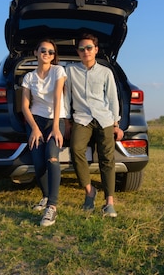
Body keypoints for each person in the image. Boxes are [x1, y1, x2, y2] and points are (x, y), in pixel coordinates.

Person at [64, 33, 124, 218]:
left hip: (104, 119)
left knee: (107, 159)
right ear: (78, 52)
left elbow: (112, 98)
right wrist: (67, 121)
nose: (85, 52)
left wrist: (116, 124)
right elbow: (67, 97)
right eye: (81, 49)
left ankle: (109, 203)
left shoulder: (106, 72)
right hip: (82, 118)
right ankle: (89, 191)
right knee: (76, 149)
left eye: (89, 48)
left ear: (96, 50)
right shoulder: (70, 70)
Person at [21, 39, 67, 227]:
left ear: (54, 56)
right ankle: (46, 197)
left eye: (51, 52)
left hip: (56, 119)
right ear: (36, 52)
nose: (47, 54)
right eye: (43, 50)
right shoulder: (29, 77)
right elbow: (25, 105)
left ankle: (52, 207)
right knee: (38, 163)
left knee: (51, 157)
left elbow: (57, 98)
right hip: (35, 120)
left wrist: (56, 127)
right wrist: (34, 128)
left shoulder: (58, 71)